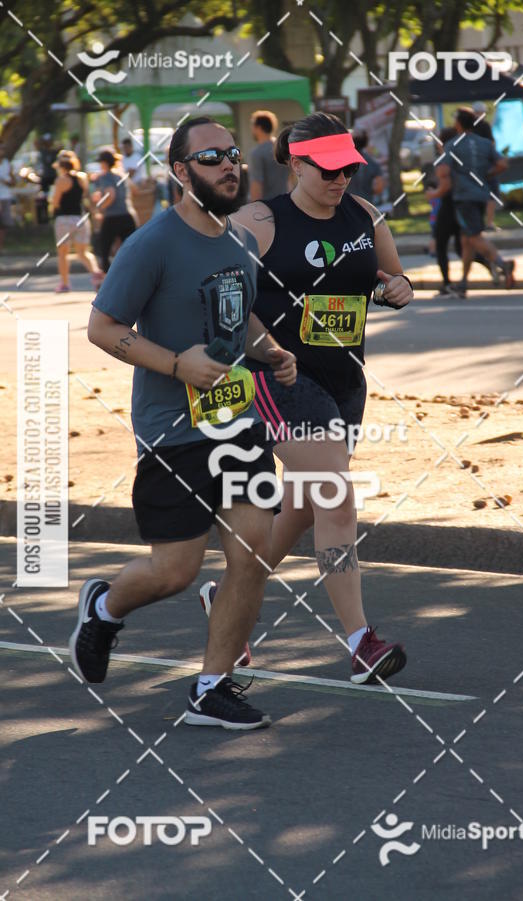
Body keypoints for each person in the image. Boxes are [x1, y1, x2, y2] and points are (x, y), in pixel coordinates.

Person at [69, 116, 297, 730]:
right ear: (180, 171)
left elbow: (238, 315)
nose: (230, 165)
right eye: (213, 158)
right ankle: (105, 608)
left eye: (232, 155)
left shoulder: (241, 241)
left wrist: (270, 349)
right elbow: (103, 328)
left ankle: (211, 687)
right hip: (174, 430)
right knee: (177, 571)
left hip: (238, 420)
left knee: (252, 554)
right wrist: (176, 364)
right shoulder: (152, 244)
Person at [202, 112, 411, 685]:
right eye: (329, 168)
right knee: (337, 498)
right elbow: (219, 294)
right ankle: (360, 641)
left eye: (350, 167)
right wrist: (261, 346)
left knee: (298, 512)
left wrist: (398, 289)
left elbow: (397, 280)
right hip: (281, 380)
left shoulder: (365, 217)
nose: (342, 178)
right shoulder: (259, 221)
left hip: (345, 381)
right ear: (296, 161)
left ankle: (227, 603)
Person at [443, 107, 515, 298]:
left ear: (458, 123)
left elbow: (443, 171)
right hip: (481, 195)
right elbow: (503, 164)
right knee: (466, 241)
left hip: (463, 196)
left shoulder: (452, 144)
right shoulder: (485, 143)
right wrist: (486, 174)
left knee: (474, 237)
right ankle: (464, 282)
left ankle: (503, 264)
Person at [426, 126, 498, 297]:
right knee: (462, 246)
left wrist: (432, 193)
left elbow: (446, 184)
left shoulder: (446, 158)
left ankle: (447, 283)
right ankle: (488, 264)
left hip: (449, 206)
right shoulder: (462, 156)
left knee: (441, 244)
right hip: (463, 205)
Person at [51, 155, 103, 292]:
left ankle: (65, 283)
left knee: (63, 252)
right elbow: (87, 197)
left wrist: (52, 208)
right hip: (80, 218)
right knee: (83, 252)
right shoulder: (82, 178)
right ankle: (96, 273)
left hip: (64, 219)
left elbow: (55, 201)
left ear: (62, 167)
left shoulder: (61, 180)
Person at [91, 148, 137, 272]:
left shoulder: (105, 177)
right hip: (127, 215)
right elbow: (134, 190)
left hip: (112, 216)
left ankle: (109, 279)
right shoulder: (121, 175)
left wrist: (101, 207)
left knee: (104, 251)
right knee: (132, 250)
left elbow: (110, 194)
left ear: (104, 163)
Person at [248, 110, 290, 201]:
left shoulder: (257, 153)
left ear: (258, 128)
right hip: (286, 202)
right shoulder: (282, 147)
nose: (252, 130)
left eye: (253, 126)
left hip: (267, 207)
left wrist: (254, 209)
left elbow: (257, 185)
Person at [472, 101, 499, 231]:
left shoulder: (468, 127)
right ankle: (488, 222)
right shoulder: (484, 126)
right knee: (491, 195)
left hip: (472, 167)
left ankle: (480, 222)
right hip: (485, 167)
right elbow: (491, 143)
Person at [349, 129, 384, 204]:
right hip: (366, 203)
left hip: (346, 203)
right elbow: (379, 188)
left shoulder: (342, 162)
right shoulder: (373, 163)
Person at [0, 142, 15, 252]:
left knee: (4, 223)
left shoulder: (7, 163)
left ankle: (1, 246)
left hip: (5, 196)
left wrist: (5, 181)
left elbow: (12, 181)